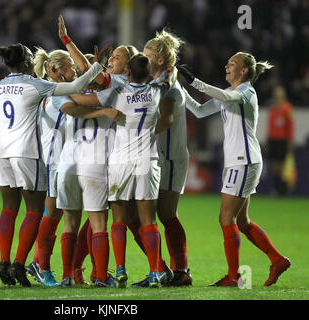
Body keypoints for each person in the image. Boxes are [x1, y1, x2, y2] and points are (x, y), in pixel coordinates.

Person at [0, 43, 104, 286]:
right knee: (37, 210)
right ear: (25, 62)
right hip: (31, 152)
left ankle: (5, 262)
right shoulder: (38, 86)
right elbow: (74, 90)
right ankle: (23, 264)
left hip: (2, 149)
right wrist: (96, 67)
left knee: (9, 208)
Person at [179, 51, 291, 286]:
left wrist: (194, 81)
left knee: (225, 218)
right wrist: (179, 88)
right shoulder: (230, 94)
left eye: (233, 64)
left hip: (244, 160)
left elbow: (226, 98)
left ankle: (234, 276)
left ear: (244, 71)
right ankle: (277, 259)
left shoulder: (246, 92)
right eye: (227, 63)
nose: (227, 66)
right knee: (241, 222)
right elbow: (199, 111)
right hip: (239, 161)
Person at [69, 53, 174, 288]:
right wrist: (169, 70)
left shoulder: (117, 93)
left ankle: (120, 269)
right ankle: (155, 272)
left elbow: (81, 100)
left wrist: (62, 87)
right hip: (147, 160)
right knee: (148, 220)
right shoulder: (157, 91)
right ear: (147, 73)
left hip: (120, 161)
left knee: (118, 220)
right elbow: (170, 77)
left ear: (127, 72)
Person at [131, 29, 192, 287]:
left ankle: (166, 269)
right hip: (166, 156)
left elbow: (165, 121)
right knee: (164, 215)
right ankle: (175, 270)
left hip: (167, 157)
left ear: (158, 60)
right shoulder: (161, 82)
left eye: (146, 55)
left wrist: (134, 133)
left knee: (144, 217)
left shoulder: (166, 87)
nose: (143, 59)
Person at [267, 85, 295, 195]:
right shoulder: (272, 109)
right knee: (274, 165)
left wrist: (290, 141)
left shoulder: (288, 108)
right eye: (276, 95)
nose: (278, 97)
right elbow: (270, 126)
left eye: (280, 95)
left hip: (283, 140)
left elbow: (290, 126)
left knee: (283, 165)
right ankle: (276, 187)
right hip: (273, 139)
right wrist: (268, 139)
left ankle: (284, 189)